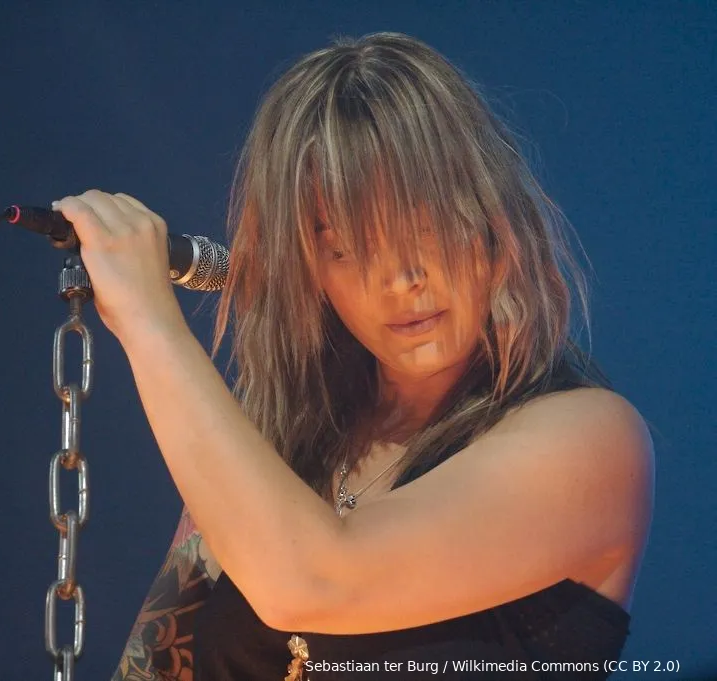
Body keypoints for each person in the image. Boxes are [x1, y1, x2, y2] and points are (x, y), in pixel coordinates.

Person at [51, 31, 654, 680]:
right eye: (345, 246)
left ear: (492, 222)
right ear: (310, 268)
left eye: (421, 226)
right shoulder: (278, 441)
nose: (398, 277)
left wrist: (148, 323)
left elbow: (310, 581)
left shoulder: (588, 439)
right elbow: (155, 664)